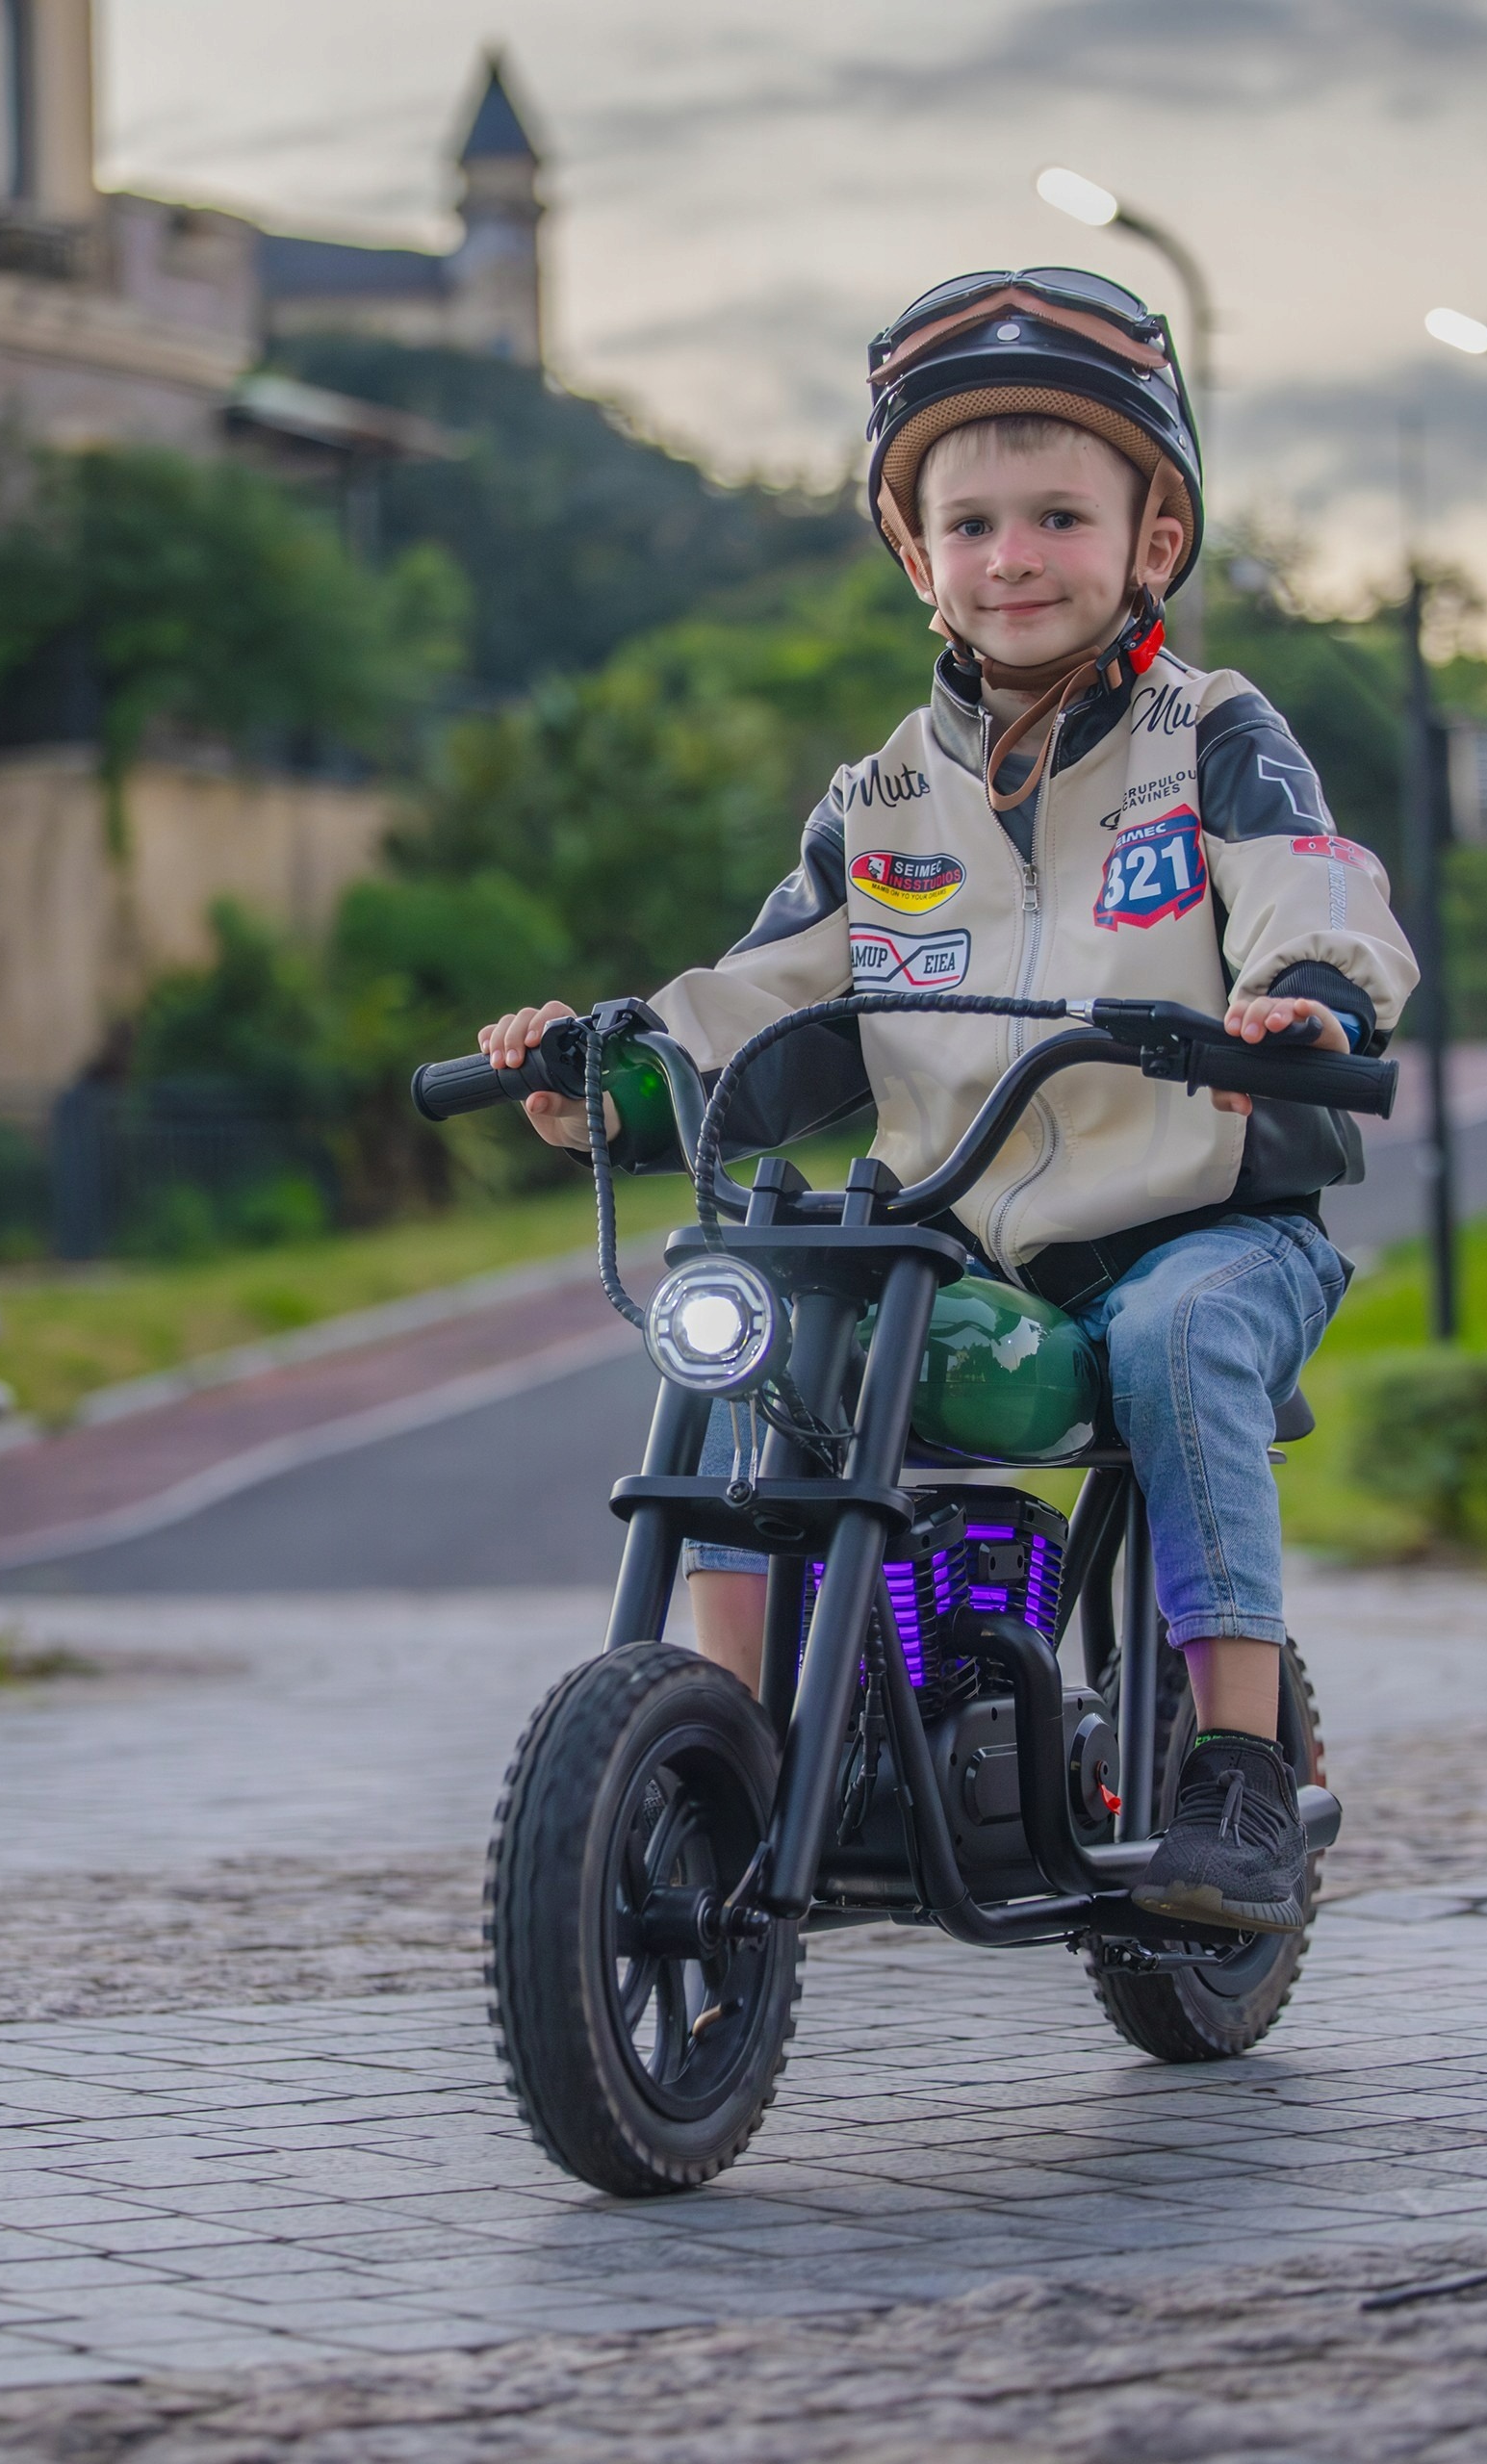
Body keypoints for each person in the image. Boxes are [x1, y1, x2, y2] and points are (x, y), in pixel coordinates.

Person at [479, 269, 1417, 1936]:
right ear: (917, 555)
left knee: (1170, 1343)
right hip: (958, 1247)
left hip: (1206, 1230)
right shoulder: (881, 799)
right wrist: (610, 1075)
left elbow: (1312, 883)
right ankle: (724, 1749)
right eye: (971, 522)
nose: (1015, 556)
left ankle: (1240, 1775)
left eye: (1062, 514)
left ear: (1153, 536)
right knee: (769, 1327)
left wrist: (1308, 998)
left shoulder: (1215, 734)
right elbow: (760, 1000)